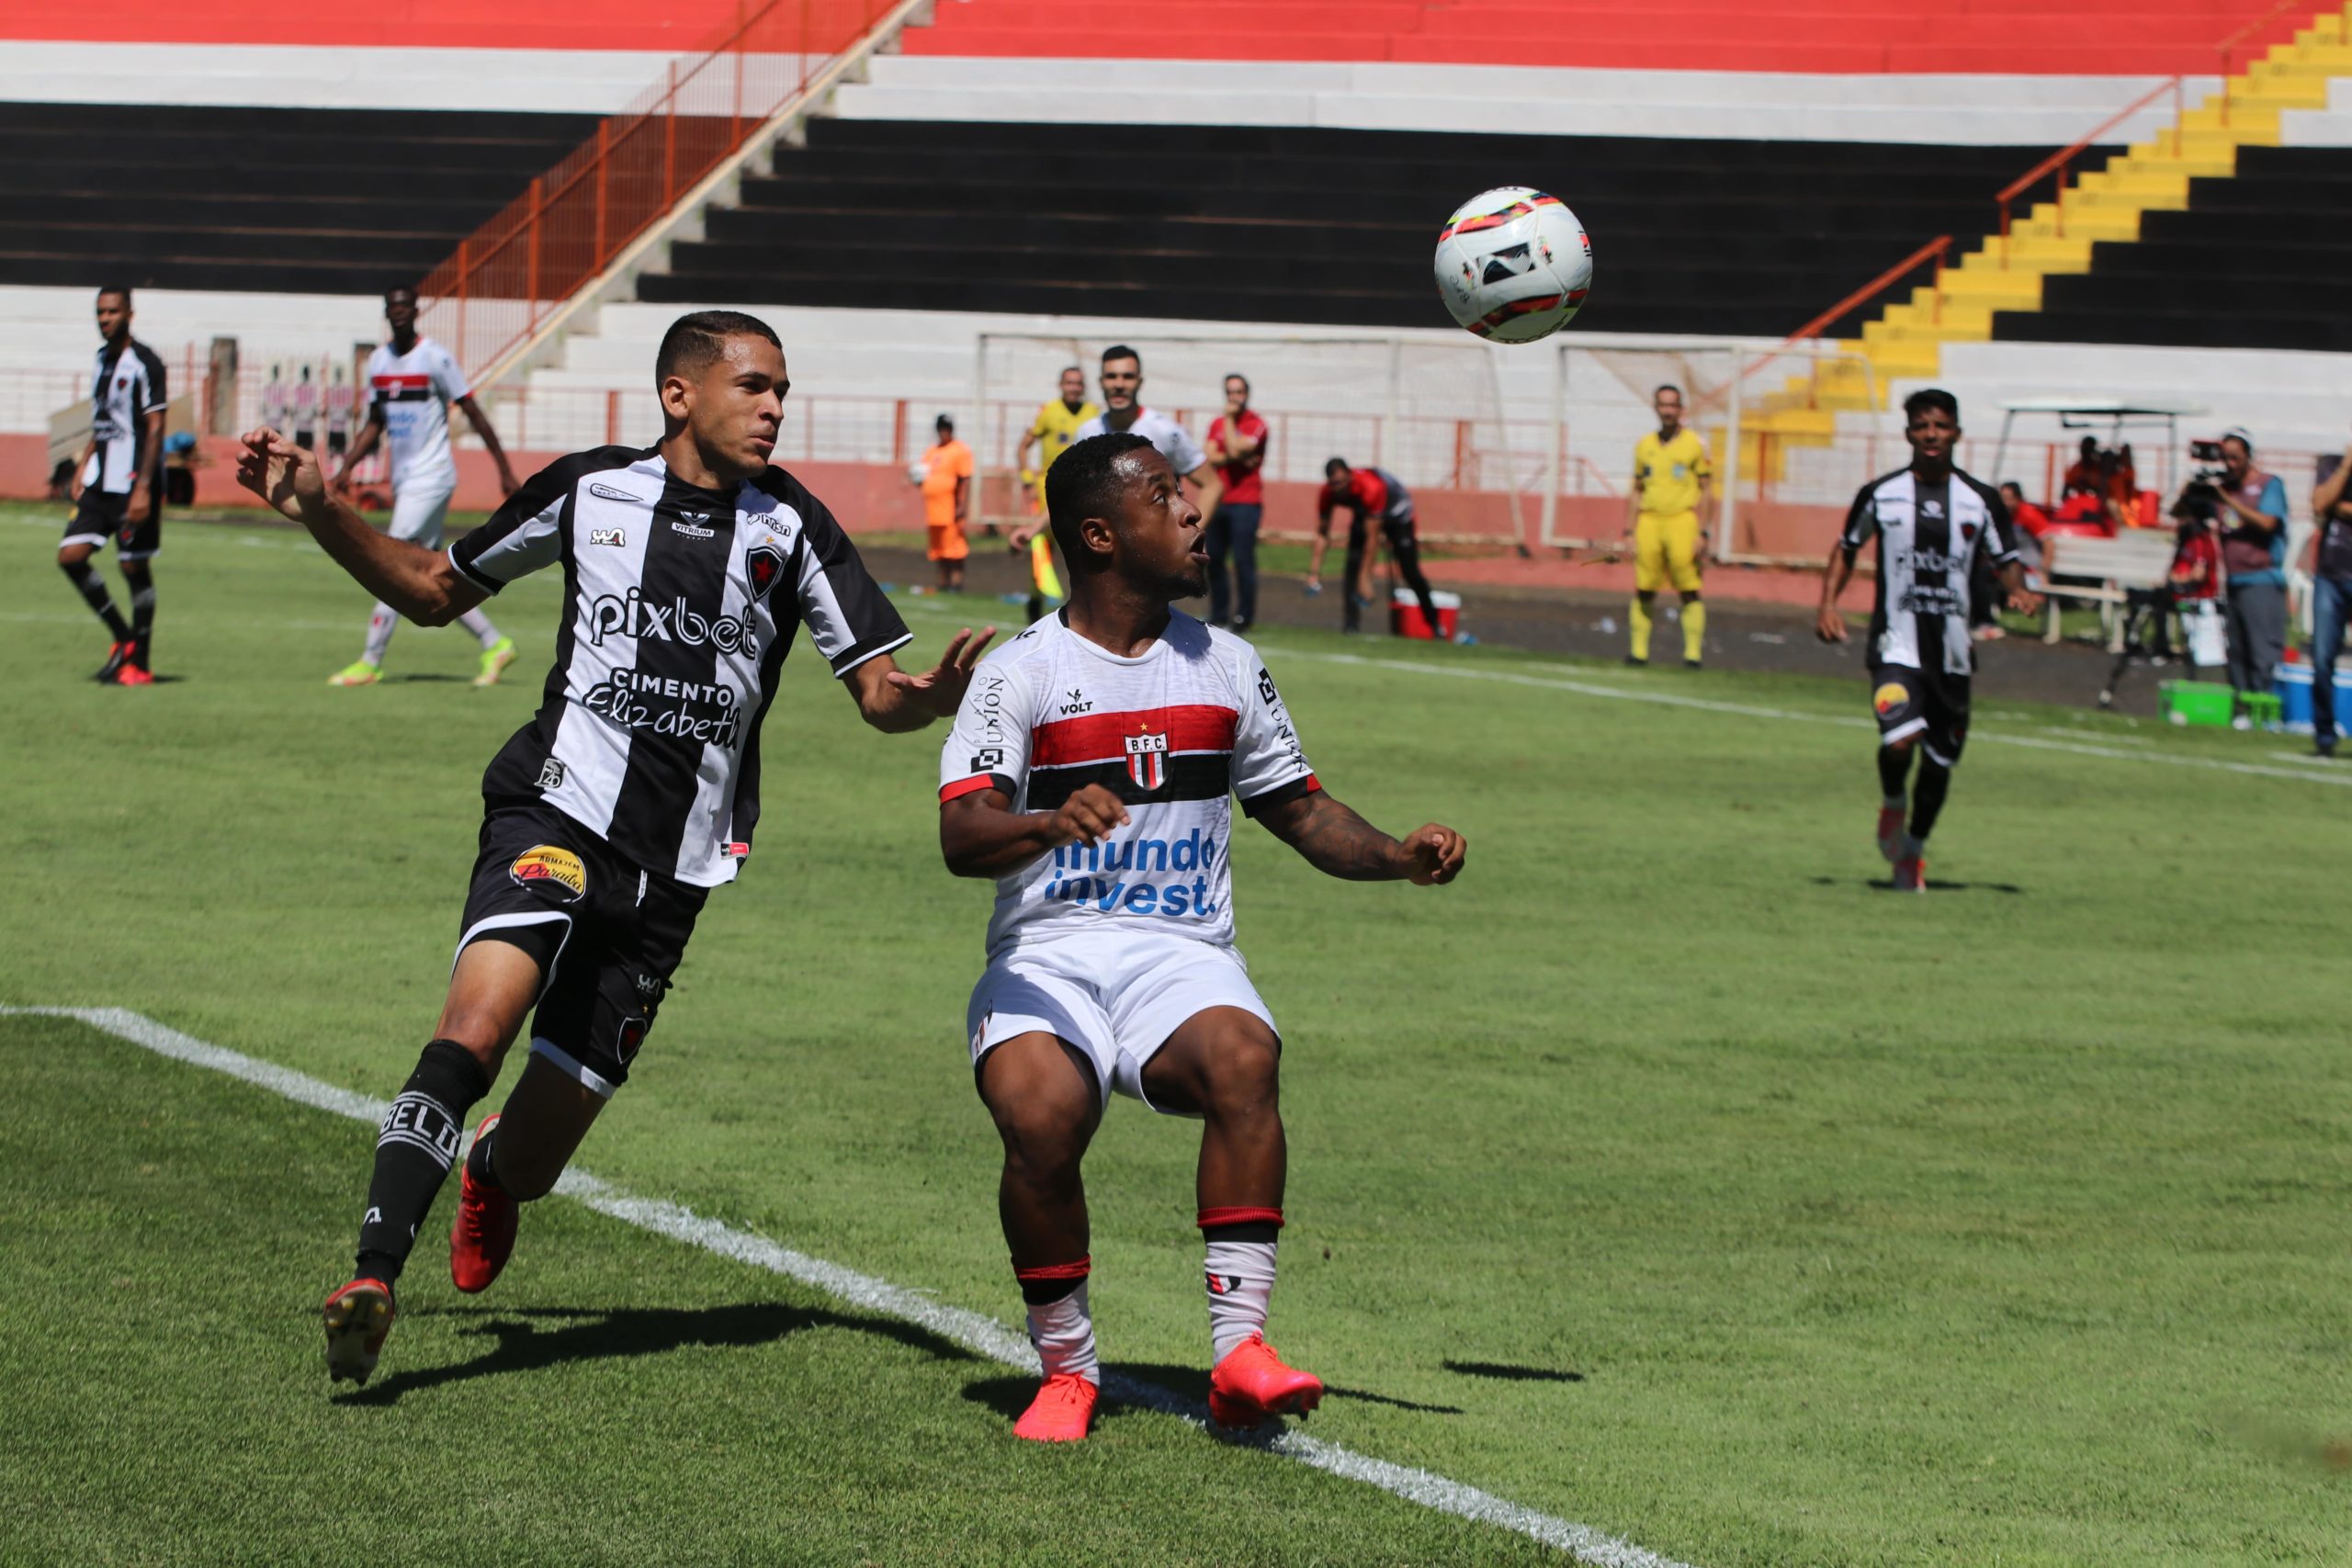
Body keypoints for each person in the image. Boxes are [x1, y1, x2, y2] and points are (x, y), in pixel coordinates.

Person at [232, 309, 996, 1387]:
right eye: (754, 386)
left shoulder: (793, 527)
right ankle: (372, 1274)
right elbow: (434, 591)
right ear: (680, 394)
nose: (775, 406)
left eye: (782, 389)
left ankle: (492, 1169)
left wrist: (929, 700)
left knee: (537, 1158)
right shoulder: (591, 490)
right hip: (554, 813)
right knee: (475, 1026)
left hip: (675, 872)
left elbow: (879, 692)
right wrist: (318, 506)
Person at [934, 432, 1465, 1442]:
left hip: (1179, 956)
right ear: (1099, 535)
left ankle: (1239, 1355)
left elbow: (1301, 810)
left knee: (1243, 1055)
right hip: (1048, 955)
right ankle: (1068, 1370)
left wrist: (1398, 855)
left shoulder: (1226, 665)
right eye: (1165, 497)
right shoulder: (1023, 675)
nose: (1194, 512)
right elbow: (962, 835)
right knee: (1038, 1115)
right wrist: (1047, 821)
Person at [1815, 389, 2041, 892]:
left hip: (1955, 655)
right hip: (1896, 645)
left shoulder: (1980, 499)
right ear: (1908, 434)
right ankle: (1893, 800)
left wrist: (2019, 591)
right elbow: (1847, 546)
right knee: (1900, 739)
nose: (1931, 435)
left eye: (1940, 426)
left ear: (1957, 432)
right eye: (1922, 426)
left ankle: (1912, 851)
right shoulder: (1881, 493)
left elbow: (2005, 561)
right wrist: (1828, 603)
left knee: (1939, 765)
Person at [326, 287, 521, 689]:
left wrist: (503, 469)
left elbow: (472, 411)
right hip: (405, 479)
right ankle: (495, 643)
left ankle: (370, 660)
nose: (399, 313)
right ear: (387, 313)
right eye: (392, 308)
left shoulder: (435, 357)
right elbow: (376, 422)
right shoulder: (378, 362)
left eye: (405, 307)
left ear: (415, 312)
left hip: (432, 477)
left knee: (390, 563)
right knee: (431, 574)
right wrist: (346, 467)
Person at [58, 286, 167, 686]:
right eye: (100, 312)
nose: (105, 319)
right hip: (101, 481)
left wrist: (144, 489)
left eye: (112, 312)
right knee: (70, 556)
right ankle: (123, 639)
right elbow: (103, 419)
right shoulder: (100, 359)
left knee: (133, 567)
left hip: (134, 482)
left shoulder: (146, 363)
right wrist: (84, 461)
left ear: (129, 315)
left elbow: (155, 428)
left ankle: (141, 661)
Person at [1073, 344, 1221, 536]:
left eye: (1128, 376)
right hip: (1107, 551)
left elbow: (1213, 485)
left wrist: (1191, 535)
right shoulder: (1087, 432)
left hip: (1159, 552)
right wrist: (1033, 529)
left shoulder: (1165, 431)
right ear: (1101, 382)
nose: (1119, 384)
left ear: (1140, 381)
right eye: (1111, 377)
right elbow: (1073, 491)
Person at [1620, 384, 1712, 668]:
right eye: (1663, 405)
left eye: (1673, 405)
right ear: (1656, 408)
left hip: (1682, 520)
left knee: (1688, 587)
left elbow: (1707, 489)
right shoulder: (1644, 445)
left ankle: (1693, 655)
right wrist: (1629, 530)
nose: (1668, 411)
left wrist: (1704, 531)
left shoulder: (1695, 444)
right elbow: (1635, 489)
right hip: (1649, 521)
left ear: (1681, 409)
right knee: (1644, 587)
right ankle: (1638, 653)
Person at [1317, 457, 1445, 637]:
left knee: (1411, 572)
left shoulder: (1371, 487)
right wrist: (1313, 573)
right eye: (1334, 485)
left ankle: (1435, 624)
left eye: (1341, 483)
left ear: (1349, 476)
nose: (1338, 490)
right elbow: (1322, 532)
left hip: (1398, 516)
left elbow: (1372, 538)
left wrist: (1366, 579)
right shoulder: (1328, 492)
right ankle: (1351, 626)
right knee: (1352, 565)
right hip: (1367, 514)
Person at [2211, 429, 2290, 723]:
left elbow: (2268, 523)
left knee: (2262, 651)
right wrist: (2192, 492)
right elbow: (2182, 512)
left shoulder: (2268, 485)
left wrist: (2227, 500)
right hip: (2233, 581)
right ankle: (2242, 712)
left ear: (2248, 456)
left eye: (2235, 457)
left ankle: (2266, 714)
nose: (2229, 464)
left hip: (2262, 580)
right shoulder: (2222, 488)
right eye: (2225, 458)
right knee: (2237, 652)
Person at [1009, 367, 1096, 622]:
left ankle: (1083, 609)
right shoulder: (1047, 412)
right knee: (1041, 551)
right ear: (1061, 385)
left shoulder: (1093, 414)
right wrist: (1026, 475)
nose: (1074, 388)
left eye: (1078, 383)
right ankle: (1035, 607)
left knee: (1083, 550)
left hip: (1082, 492)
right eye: (1069, 383)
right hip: (1049, 492)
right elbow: (1023, 446)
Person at [1203, 373, 1268, 632]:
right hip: (1219, 500)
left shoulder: (1257, 424)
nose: (1234, 397)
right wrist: (1234, 455)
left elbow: (1236, 448)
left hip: (1246, 503)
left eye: (1239, 392)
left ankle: (1244, 616)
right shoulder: (1215, 423)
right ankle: (1219, 613)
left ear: (1247, 394)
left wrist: (1230, 427)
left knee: (1243, 561)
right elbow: (1211, 456)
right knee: (1214, 559)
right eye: (1230, 392)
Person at [2306, 435, 2352, 757]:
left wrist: (2341, 508)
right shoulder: (2332, 464)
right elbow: (2321, 504)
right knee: (2322, 659)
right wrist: (2347, 466)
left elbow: (2332, 507)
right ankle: (2324, 735)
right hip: (2331, 576)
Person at [917, 412, 975, 593]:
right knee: (939, 548)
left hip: (950, 507)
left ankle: (956, 583)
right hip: (934, 509)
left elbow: (964, 479)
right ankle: (942, 583)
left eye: (947, 429)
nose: (944, 433)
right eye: (941, 429)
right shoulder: (932, 451)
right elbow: (922, 474)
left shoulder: (960, 450)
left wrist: (961, 504)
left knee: (955, 549)